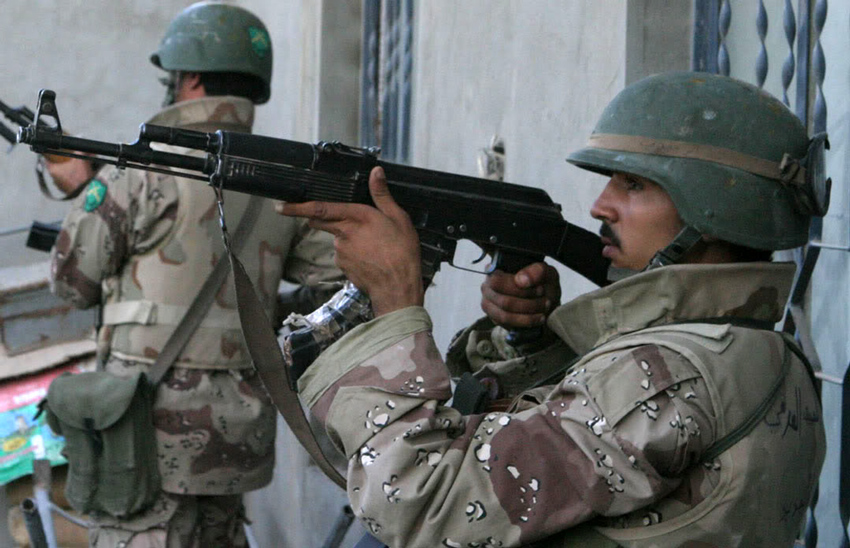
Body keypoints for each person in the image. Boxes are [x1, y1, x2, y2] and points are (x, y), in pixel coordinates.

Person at [280, 72, 826, 547]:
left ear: (713, 208)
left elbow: (423, 508)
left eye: (633, 184)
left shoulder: (666, 375)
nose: (599, 204)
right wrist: (530, 341)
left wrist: (394, 304)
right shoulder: (758, 352)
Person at [46, 2, 341, 546]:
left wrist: (84, 191)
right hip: (235, 446)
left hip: (143, 443)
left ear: (192, 78)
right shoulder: (286, 181)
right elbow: (340, 286)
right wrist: (260, 319)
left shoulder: (142, 171)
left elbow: (70, 282)